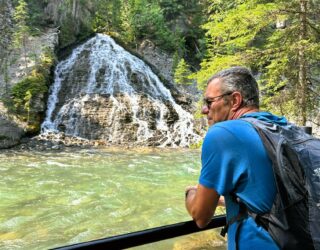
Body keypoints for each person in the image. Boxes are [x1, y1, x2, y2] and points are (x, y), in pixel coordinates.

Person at [185, 66, 287, 249]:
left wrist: (190, 194)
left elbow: (200, 217)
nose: (203, 110)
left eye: (209, 102)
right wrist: (223, 200)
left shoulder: (223, 133)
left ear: (235, 100)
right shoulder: (281, 127)